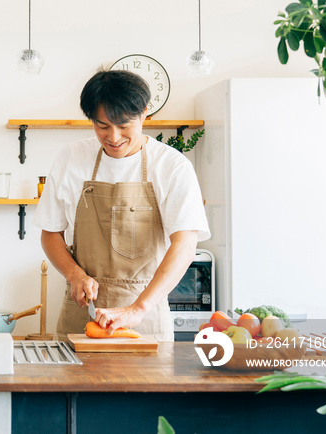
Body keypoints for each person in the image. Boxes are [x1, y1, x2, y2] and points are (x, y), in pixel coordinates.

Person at [32, 69, 210, 341]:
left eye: (124, 124)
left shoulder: (172, 167)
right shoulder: (71, 158)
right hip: (81, 312)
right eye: (102, 126)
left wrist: (138, 308)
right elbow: (50, 233)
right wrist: (75, 275)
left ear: (145, 113)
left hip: (144, 316)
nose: (113, 137)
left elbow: (185, 244)